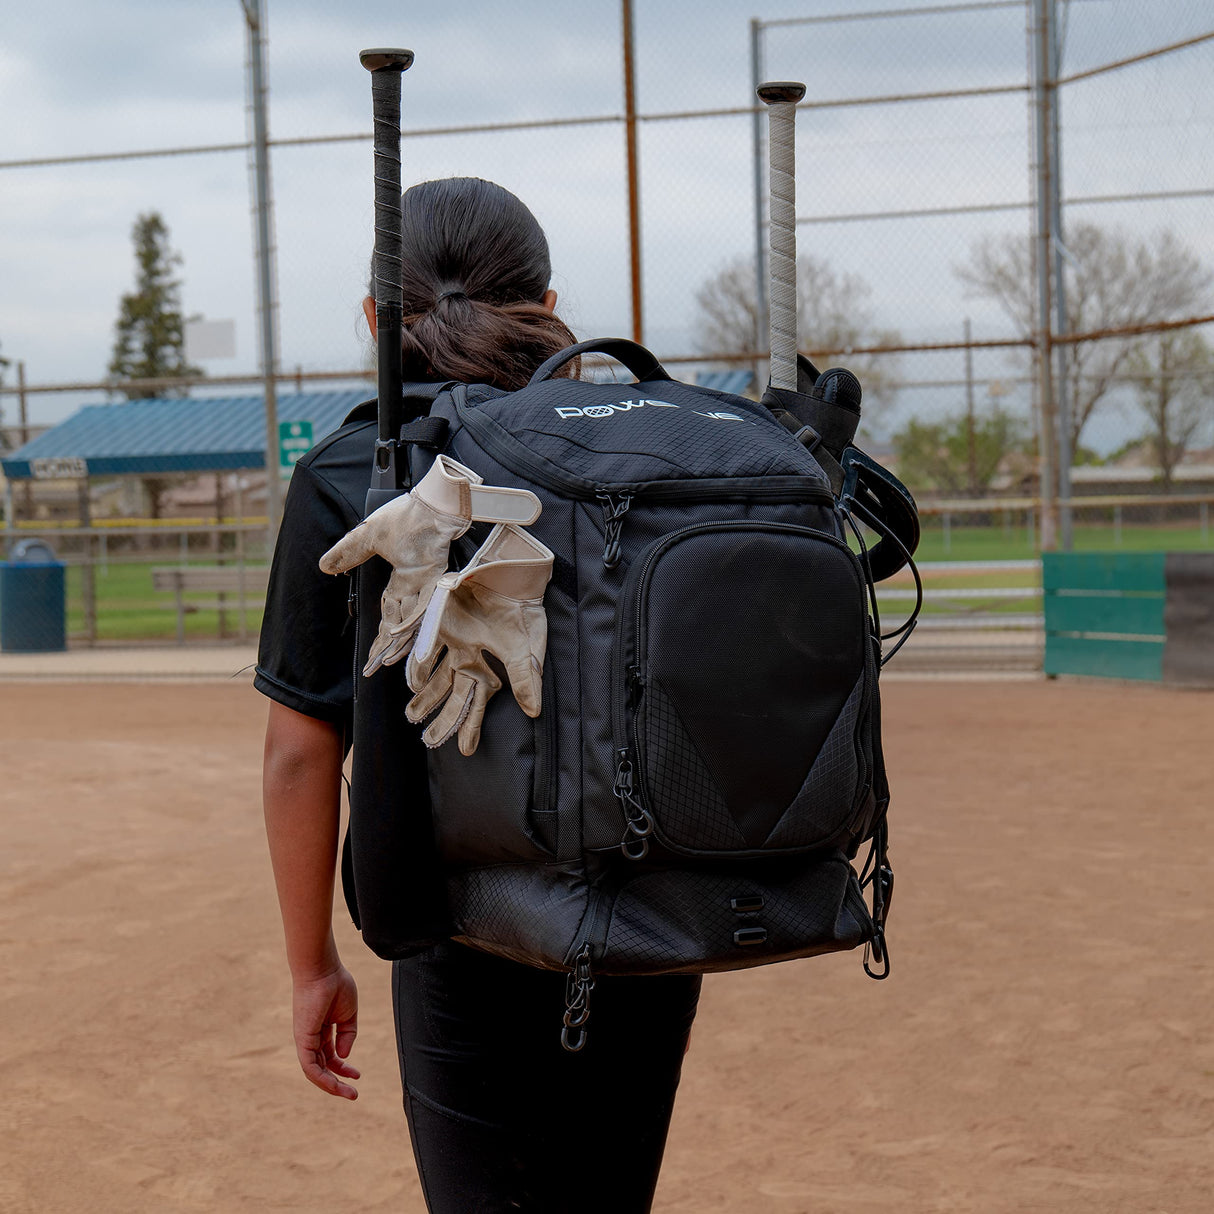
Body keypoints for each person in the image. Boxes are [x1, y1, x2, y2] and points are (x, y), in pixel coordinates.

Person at [256, 177, 701, 1214]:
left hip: (457, 918)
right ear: (547, 304)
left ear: (374, 319)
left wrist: (310, 962)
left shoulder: (352, 475)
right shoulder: (633, 444)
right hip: (641, 905)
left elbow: (296, 752)